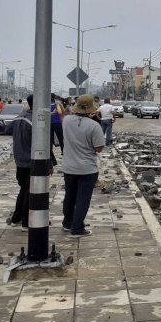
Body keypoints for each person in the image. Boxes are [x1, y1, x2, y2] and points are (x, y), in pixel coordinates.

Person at [4, 95, 52, 231]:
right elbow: (43, 145)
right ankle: (26, 221)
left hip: (19, 161)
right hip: (32, 163)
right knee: (30, 192)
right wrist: (49, 164)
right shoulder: (36, 122)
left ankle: (16, 218)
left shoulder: (19, 118)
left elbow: (6, 130)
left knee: (23, 190)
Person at [61, 94, 105, 237]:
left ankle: (67, 223)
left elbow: (67, 115)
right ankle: (77, 228)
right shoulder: (94, 126)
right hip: (87, 169)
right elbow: (98, 148)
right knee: (82, 199)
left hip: (69, 167)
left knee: (70, 196)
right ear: (92, 109)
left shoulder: (66, 121)